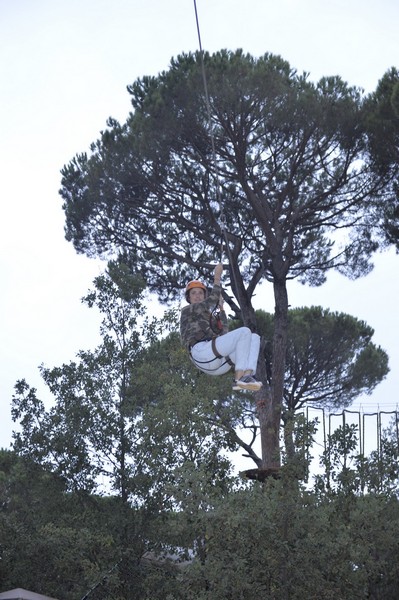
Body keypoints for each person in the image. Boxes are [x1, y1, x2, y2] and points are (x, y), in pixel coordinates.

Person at [180, 263, 263, 392]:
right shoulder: (188, 310)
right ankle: (240, 379)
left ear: (204, 296)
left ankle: (246, 375)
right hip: (200, 353)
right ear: (189, 298)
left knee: (254, 338)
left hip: (217, 363)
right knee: (245, 331)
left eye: (200, 293)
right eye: (194, 293)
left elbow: (225, 334)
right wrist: (217, 276)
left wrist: (222, 309)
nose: (197, 296)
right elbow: (212, 300)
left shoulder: (208, 317)